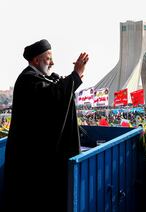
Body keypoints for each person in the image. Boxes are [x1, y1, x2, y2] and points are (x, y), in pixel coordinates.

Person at [4, 39, 89, 211]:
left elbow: (55, 91)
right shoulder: (28, 80)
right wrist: (75, 76)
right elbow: (51, 97)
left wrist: (73, 78)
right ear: (36, 60)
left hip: (36, 157)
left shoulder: (38, 79)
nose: (52, 63)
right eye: (48, 58)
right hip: (30, 161)